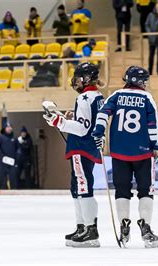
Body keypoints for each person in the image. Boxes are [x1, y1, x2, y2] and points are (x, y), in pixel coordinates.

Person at [92, 66, 158, 248]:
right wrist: (156, 145)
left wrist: (98, 132)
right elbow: (153, 124)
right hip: (142, 152)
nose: (146, 83)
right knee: (146, 190)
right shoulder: (147, 98)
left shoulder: (116, 95)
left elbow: (102, 113)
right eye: (144, 80)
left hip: (119, 153)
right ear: (139, 81)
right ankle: (145, 226)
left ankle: (124, 223)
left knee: (122, 191)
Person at [43, 62, 104, 247]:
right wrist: (70, 118)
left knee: (83, 186)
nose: (75, 81)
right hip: (87, 147)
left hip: (81, 147)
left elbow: (83, 128)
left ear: (86, 79)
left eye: (78, 78)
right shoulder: (97, 96)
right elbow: (90, 122)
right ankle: (83, 227)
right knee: (77, 187)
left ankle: (90, 231)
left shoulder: (85, 98)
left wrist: (59, 121)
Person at [146, 2, 158, 75]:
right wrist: (149, 34)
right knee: (151, 55)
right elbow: (147, 24)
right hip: (152, 38)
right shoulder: (150, 15)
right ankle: (150, 71)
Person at [0, 123, 16, 189]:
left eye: (11, 127)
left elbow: (17, 148)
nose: (10, 128)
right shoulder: (1, 137)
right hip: (3, 161)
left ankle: (13, 192)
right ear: (5, 128)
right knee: (1, 177)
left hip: (12, 162)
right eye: (8, 127)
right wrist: (2, 155)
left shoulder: (14, 138)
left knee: (13, 177)